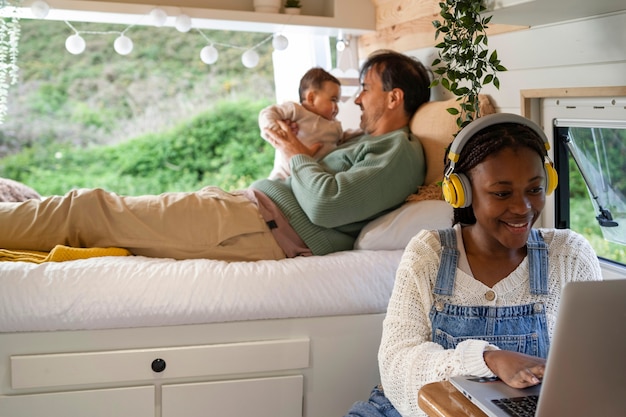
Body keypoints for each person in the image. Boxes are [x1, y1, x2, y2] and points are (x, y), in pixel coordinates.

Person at [0, 50, 430, 262]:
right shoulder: (365, 141)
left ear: (394, 98)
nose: (355, 99)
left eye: (365, 89)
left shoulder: (401, 153)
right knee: (93, 212)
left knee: (90, 209)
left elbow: (325, 203)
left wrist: (294, 149)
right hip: (244, 211)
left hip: (251, 226)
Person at [345, 113, 602, 417]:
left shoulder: (570, 255)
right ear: (462, 192)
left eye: (534, 189)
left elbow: (597, 366)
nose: (523, 208)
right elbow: (396, 366)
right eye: (502, 193)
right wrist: (488, 359)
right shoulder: (429, 254)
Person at [259, 67, 360, 180]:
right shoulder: (296, 110)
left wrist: (362, 131)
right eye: (333, 99)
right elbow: (268, 113)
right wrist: (277, 130)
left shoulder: (335, 125)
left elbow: (343, 138)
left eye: (337, 101)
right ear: (311, 98)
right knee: (273, 184)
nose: (336, 107)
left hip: (314, 175)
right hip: (286, 173)